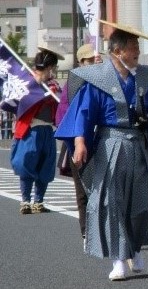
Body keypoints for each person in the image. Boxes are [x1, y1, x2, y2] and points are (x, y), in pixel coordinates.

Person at [55, 21, 148, 281]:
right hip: (110, 143)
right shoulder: (97, 78)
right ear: (118, 51)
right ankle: (119, 259)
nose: (137, 51)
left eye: (137, 46)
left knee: (143, 201)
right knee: (112, 202)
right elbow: (84, 112)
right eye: (133, 47)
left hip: (139, 144)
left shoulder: (146, 77)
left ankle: (135, 247)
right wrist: (80, 142)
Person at [54, 43, 99, 242]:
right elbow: (62, 115)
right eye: (88, 60)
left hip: (102, 140)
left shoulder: (104, 80)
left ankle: (103, 228)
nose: (93, 63)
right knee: (82, 188)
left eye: (95, 59)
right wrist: (76, 137)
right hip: (77, 142)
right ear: (80, 62)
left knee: (103, 187)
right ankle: (86, 229)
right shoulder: (72, 82)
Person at [10, 47, 62, 215]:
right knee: (26, 163)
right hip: (30, 128)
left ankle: (38, 200)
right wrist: (37, 88)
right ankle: (25, 200)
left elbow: (60, 102)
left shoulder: (53, 86)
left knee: (45, 166)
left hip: (47, 129)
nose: (53, 70)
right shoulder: (27, 82)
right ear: (49, 66)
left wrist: (52, 92)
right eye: (53, 66)